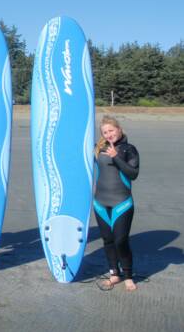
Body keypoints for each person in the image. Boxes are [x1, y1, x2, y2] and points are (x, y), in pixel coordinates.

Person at [93, 115, 140, 291]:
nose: (109, 134)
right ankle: (115, 273)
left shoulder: (129, 150)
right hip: (100, 202)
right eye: (105, 132)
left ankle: (128, 275)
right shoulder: (98, 149)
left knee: (120, 240)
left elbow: (133, 174)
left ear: (119, 129)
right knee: (108, 240)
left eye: (111, 130)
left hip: (122, 203)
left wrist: (116, 157)